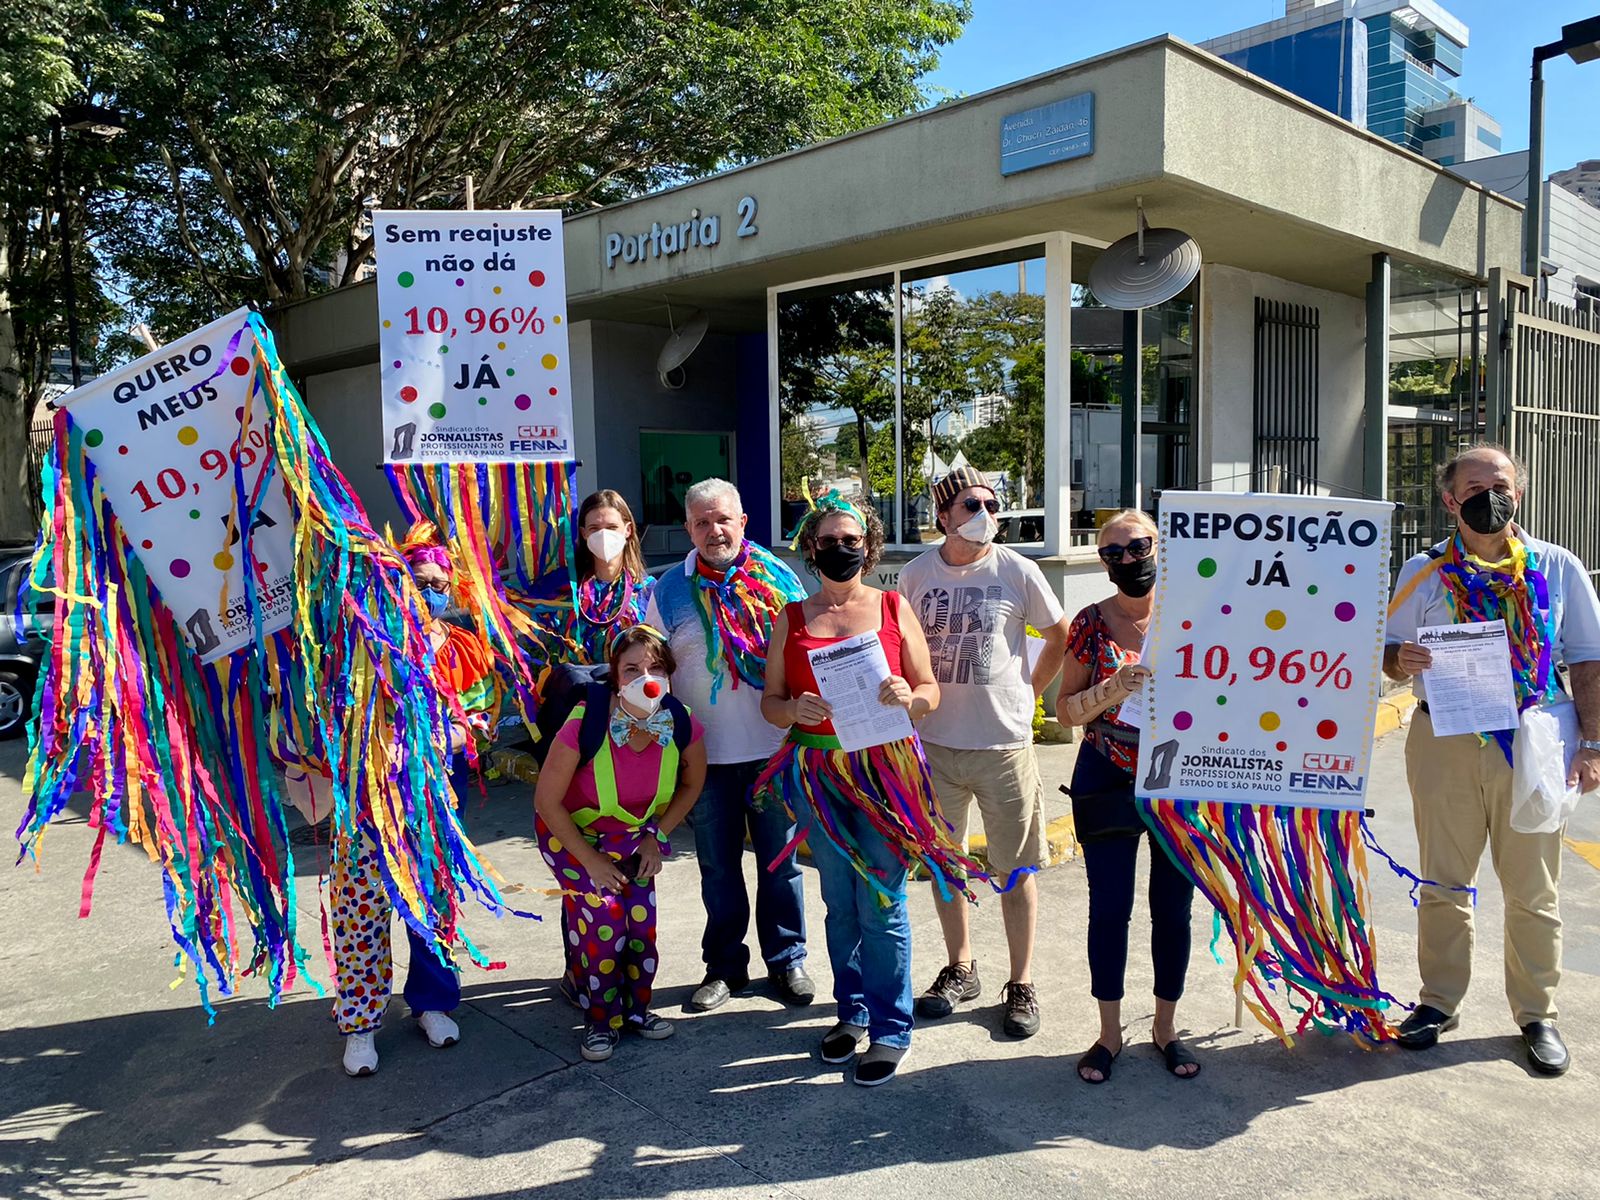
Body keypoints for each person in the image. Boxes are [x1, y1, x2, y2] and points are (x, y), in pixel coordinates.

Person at [1385, 443, 1600, 1076]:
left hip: (1533, 743)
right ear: (1450, 500)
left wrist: (1592, 745)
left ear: (1519, 493)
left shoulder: (1556, 567)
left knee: (1533, 885)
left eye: (1500, 486)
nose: (1490, 498)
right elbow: (1388, 652)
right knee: (1443, 880)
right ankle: (1438, 1001)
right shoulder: (1422, 572)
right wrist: (1403, 660)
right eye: (1475, 489)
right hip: (1444, 740)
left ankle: (1537, 1013)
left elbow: (1589, 660)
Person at [757, 495, 982, 1086]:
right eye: (828, 541)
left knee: (882, 902)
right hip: (819, 775)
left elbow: (929, 688)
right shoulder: (791, 617)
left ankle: (890, 1027)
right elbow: (770, 702)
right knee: (839, 902)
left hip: (885, 773)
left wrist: (912, 698)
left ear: (869, 546)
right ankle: (852, 1011)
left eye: (851, 540)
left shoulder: (891, 606)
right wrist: (793, 710)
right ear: (811, 549)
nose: (841, 549)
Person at [896, 466, 1068, 1038]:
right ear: (942, 515)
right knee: (944, 864)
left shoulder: (1018, 569)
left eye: (992, 504)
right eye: (971, 505)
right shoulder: (916, 574)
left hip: (1003, 746)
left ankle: (1021, 982)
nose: (986, 514)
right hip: (934, 746)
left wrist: (1030, 694)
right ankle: (960, 966)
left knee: (1015, 868)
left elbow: (1058, 634)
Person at [643, 479, 814, 1011]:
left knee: (780, 865)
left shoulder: (780, 579)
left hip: (773, 750)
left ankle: (787, 961)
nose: (713, 530)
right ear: (688, 528)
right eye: (701, 522)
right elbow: (653, 671)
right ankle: (724, 968)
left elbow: (806, 656)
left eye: (723, 519)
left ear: (743, 521)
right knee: (717, 869)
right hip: (704, 760)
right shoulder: (667, 589)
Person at [329, 525, 494, 1077]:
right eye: (417, 582)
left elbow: (483, 716)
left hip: (437, 797)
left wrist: (450, 734)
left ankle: (432, 1002)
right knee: (361, 906)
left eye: (438, 584)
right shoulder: (365, 642)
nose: (428, 593)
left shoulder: (464, 647)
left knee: (433, 901)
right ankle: (360, 1021)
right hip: (368, 798)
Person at [1055, 510, 1198, 1084]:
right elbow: (1065, 712)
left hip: (1179, 778)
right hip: (1106, 773)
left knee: (1173, 908)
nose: (1128, 560)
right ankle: (1109, 1033)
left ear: (1159, 546)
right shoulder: (1090, 623)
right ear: (1102, 563)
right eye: (1113, 554)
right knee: (1110, 908)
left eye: (1138, 547)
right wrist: (1113, 688)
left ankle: (1166, 1027)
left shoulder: (1196, 615)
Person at [532, 624, 707, 1062]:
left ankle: (636, 1010)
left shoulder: (681, 721)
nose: (645, 678)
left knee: (641, 926)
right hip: (571, 835)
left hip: (633, 836)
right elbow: (547, 802)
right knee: (604, 924)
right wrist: (589, 861)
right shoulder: (585, 723)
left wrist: (656, 837)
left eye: (656, 667)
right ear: (614, 675)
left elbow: (691, 785)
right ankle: (599, 1020)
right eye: (631, 669)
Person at [571, 489, 655, 664]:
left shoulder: (649, 590)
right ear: (584, 533)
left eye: (611, 527)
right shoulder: (569, 590)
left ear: (628, 530)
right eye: (594, 528)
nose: (603, 536)